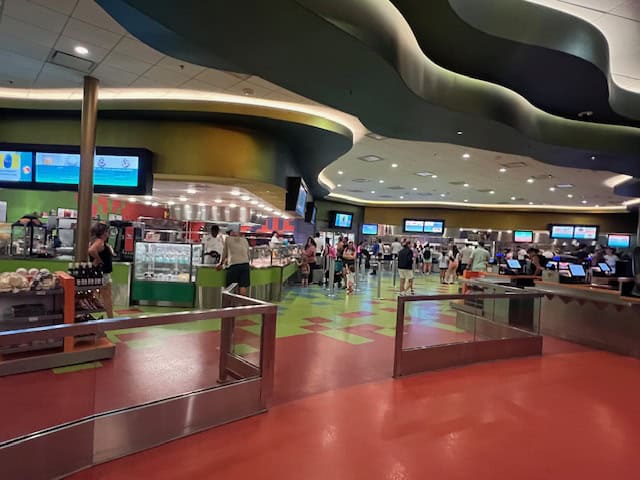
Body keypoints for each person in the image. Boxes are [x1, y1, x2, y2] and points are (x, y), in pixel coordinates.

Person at [88, 222, 114, 318]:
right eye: (107, 231)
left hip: (100, 273)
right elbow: (91, 251)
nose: (108, 234)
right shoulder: (99, 242)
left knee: (103, 296)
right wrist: (99, 260)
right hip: (103, 274)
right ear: (104, 232)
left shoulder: (96, 241)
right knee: (107, 297)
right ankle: (110, 318)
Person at [217, 227, 251, 296]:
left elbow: (224, 253)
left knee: (231, 287)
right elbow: (248, 254)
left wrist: (220, 264)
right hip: (245, 265)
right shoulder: (245, 240)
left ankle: (231, 304)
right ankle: (242, 304)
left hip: (234, 265)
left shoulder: (228, 239)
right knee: (243, 286)